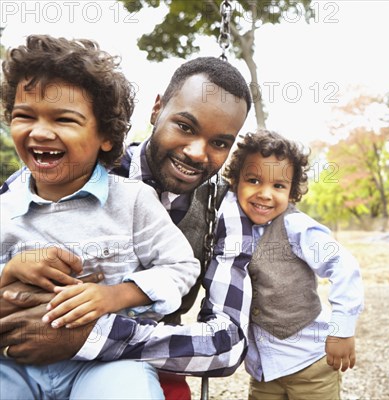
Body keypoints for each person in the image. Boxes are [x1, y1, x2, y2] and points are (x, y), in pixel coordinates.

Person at [0, 37, 254, 394]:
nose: (197, 152)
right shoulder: (54, 175)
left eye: (220, 143)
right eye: (185, 126)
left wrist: (92, 336)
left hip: (124, 359)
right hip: (21, 356)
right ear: (157, 110)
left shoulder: (223, 208)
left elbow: (227, 345)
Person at [214, 130, 364, 399]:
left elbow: (344, 265)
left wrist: (342, 330)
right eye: (253, 180)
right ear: (236, 182)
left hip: (310, 364)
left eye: (278, 186)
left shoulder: (295, 226)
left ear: (292, 192)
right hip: (263, 372)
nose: (265, 194)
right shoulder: (232, 225)